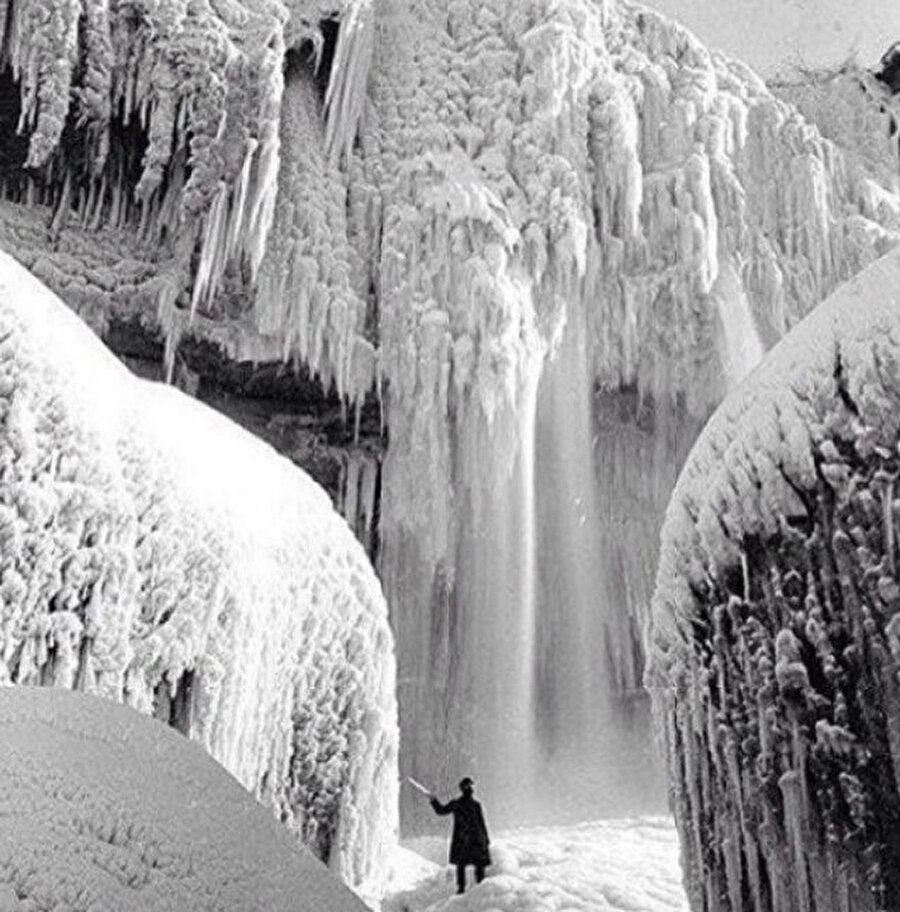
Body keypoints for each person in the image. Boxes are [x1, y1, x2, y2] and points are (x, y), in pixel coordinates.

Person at [430, 777, 491, 894]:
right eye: (469, 787)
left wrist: (433, 800)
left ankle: (464, 889)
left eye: (471, 786)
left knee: (464, 865)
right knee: (474, 865)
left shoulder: (461, 804)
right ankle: (476, 890)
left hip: (465, 839)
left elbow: (441, 811)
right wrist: (486, 840)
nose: (471, 789)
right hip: (474, 839)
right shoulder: (472, 805)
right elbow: (481, 824)